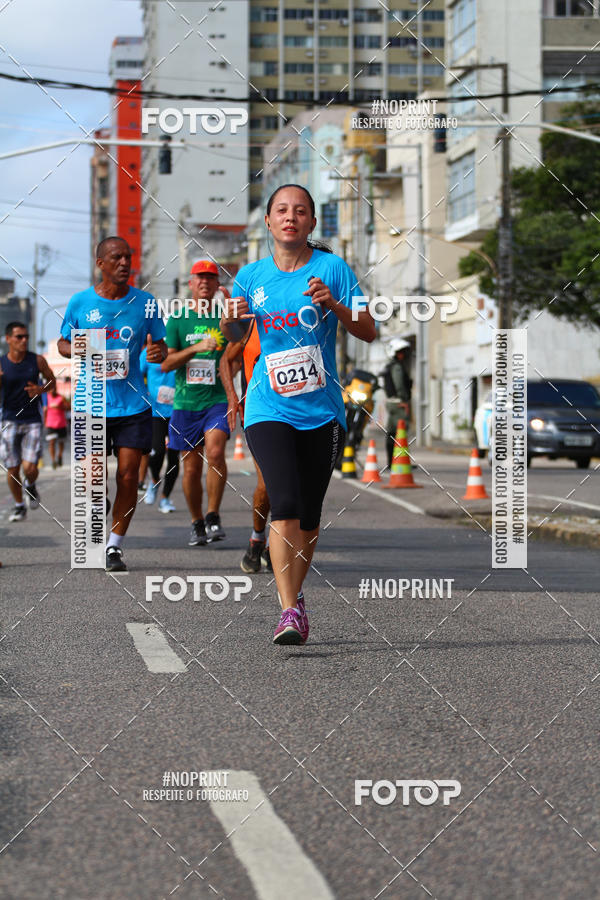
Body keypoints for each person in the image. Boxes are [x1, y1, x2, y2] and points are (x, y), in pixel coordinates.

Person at [221, 184, 375, 645]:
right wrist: (231, 318)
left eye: (301, 211)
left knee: (309, 515)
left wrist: (335, 305)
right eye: (282, 210)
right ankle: (288, 611)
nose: (291, 217)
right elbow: (231, 334)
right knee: (283, 502)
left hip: (322, 410)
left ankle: (297, 597)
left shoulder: (334, 269)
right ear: (268, 222)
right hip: (268, 406)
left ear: (311, 223)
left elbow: (368, 329)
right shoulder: (249, 276)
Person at [58, 236, 167, 572]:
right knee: (92, 480)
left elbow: (160, 346)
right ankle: (97, 502)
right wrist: (87, 345)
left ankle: (113, 547)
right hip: (91, 403)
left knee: (128, 476)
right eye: (117, 258)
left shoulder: (146, 302)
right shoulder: (80, 302)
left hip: (133, 405)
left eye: (128, 257)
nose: (124, 263)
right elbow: (62, 343)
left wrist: (157, 353)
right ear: (100, 263)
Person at [161, 260, 230, 546]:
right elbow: (166, 363)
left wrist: (233, 311)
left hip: (217, 399)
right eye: (200, 278)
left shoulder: (223, 318)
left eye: (210, 279)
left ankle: (213, 515)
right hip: (186, 402)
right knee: (190, 468)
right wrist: (196, 348)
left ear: (216, 285)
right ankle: (196, 521)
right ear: (191, 283)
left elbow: (238, 350)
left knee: (214, 453)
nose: (205, 283)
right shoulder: (177, 319)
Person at [219, 320, 272, 574]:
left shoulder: (306, 321)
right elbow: (226, 360)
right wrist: (232, 397)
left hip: (304, 413)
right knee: (267, 485)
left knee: (297, 485)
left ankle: (276, 544)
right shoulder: (255, 325)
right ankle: (257, 538)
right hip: (261, 414)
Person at [0, 321, 56, 521]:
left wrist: (40, 390)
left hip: (32, 419)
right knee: (12, 468)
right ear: (8, 339)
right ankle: (18, 505)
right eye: (19, 337)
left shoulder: (37, 360)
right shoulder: (1, 363)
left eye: (26, 337)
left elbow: (52, 381)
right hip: (8, 419)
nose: (24, 340)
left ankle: (30, 485)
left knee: (29, 468)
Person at [139, 344, 179, 513]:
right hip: (155, 412)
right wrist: (143, 394)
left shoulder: (181, 348)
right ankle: (154, 482)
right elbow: (136, 376)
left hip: (178, 410)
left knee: (174, 457)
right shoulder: (148, 353)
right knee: (157, 452)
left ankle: (165, 498)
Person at [382, 338, 413, 469]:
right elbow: (399, 384)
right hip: (398, 402)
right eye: (400, 352)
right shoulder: (397, 367)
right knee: (400, 431)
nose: (403, 355)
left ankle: (392, 461)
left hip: (392, 402)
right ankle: (399, 461)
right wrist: (403, 400)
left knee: (392, 431)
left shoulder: (390, 366)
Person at [45, 386, 69, 468]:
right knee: (51, 442)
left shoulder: (61, 397)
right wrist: (45, 421)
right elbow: (44, 409)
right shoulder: (46, 398)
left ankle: (60, 455)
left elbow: (68, 407)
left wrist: (59, 407)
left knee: (61, 442)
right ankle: (53, 460)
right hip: (50, 423)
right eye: (50, 389)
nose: (52, 390)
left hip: (61, 423)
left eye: (53, 388)